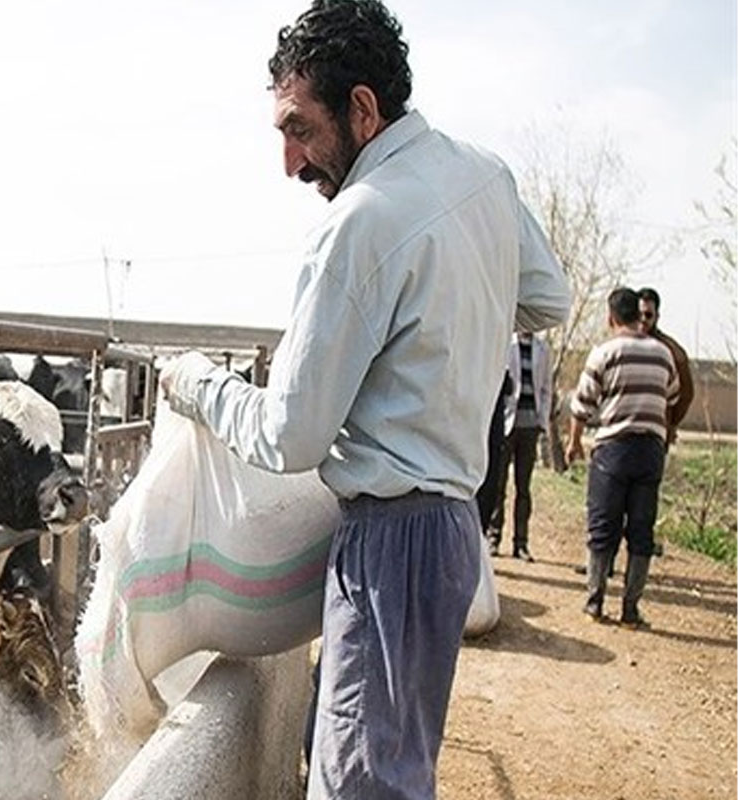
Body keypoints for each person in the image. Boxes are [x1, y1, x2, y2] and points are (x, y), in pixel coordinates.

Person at [159, 2, 571, 796]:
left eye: (299, 128)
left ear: (362, 109)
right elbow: (547, 300)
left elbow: (290, 436)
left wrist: (196, 383)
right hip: (451, 531)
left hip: (389, 544)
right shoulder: (484, 172)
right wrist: (456, 305)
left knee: (364, 785)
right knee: (391, 767)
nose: (289, 161)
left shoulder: (360, 223)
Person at [566, 287, 679, 628]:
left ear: (611, 317)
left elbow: (582, 404)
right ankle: (631, 608)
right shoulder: (663, 354)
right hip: (650, 453)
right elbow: (671, 397)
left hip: (613, 452)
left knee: (603, 527)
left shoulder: (605, 353)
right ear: (637, 315)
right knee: (641, 531)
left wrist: (574, 443)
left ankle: (595, 601)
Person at [486, 331, 553, 562]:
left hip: (529, 425)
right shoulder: (506, 342)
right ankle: (493, 538)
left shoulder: (543, 349)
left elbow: (546, 388)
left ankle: (521, 543)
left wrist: (541, 421)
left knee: (523, 488)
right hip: (506, 424)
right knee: (498, 485)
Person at [638, 287, 694, 445]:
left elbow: (686, 394)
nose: (643, 319)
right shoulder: (622, 345)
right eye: (639, 314)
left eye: (648, 315)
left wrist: (670, 423)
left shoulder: (672, 352)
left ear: (657, 317)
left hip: (657, 433)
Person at [477, 371, 512, 546]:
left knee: (490, 488)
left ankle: (481, 537)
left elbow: (509, 386)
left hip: (492, 436)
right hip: (472, 434)